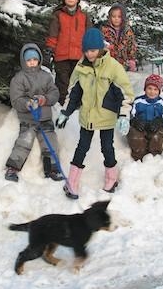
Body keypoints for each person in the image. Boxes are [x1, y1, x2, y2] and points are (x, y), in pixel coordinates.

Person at [56, 28, 134, 199]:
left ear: (100, 48)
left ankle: (112, 179)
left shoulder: (113, 67)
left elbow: (126, 93)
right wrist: (65, 112)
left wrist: (123, 115)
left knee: (107, 147)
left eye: (92, 50)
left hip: (106, 116)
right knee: (82, 147)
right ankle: (72, 182)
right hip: (88, 116)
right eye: (86, 50)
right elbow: (73, 92)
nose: (89, 54)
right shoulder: (81, 67)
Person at [5, 43, 62, 182]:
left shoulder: (46, 77)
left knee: (50, 142)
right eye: (29, 60)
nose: (32, 63)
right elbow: (16, 99)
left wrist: (45, 99)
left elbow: (54, 93)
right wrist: (27, 103)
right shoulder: (18, 79)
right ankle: (12, 168)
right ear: (24, 61)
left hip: (45, 118)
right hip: (28, 118)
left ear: (39, 60)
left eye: (34, 60)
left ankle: (52, 169)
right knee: (24, 141)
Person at [44, 0, 92, 105]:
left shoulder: (84, 16)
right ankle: (61, 103)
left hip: (79, 55)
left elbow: (89, 34)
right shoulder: (58, 15)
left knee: (77, 81)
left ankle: (77, 104)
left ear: (78, 0)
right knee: (62, 82)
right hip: (61, 55)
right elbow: (53, 33)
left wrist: (91, 50)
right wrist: (50, 48)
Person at [127, 74, 163, 161]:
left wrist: (161, 122)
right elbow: (128, 114)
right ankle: (139, 157)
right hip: (140, 126)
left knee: (156, 137)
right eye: (149, 88)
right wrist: (134, 121)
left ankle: (154, 157)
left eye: (155, 89)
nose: (152, 92)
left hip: (154, 126)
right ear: (145, 89)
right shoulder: (138, 101)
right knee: (136, 137)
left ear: (159, 91)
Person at [101, 3, 137, 71]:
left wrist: (131, 59)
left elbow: (132, 46)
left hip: (123, 64)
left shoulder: (128, 31)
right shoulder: (105, 30)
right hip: (108, 64)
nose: (116, 19)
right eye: (114, 16)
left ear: (123, 18)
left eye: (119, 17)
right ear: (110, 17)